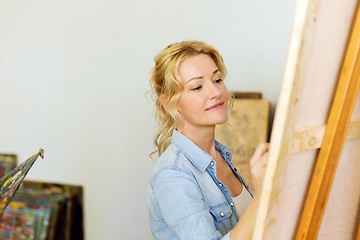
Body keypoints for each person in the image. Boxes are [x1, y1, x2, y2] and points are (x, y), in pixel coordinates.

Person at [147, 40, 269, 240]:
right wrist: (262, 197)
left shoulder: (222, 156)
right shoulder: (173, 175)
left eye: (217, 80)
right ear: (169, 103)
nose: (215, 92)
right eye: (197, 87)